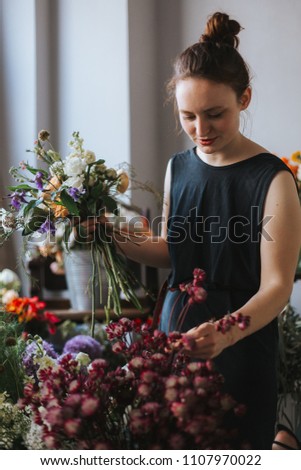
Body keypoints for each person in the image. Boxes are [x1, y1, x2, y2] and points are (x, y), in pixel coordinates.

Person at [85, 12, 301, 449]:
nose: (200, 130)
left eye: (215, 114)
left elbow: (277, 287)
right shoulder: (178, 168)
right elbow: (171, 251)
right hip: (174, 331)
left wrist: (226, 332)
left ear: (245, 99)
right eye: (188, 116)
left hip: (240, 344)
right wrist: (108, 232)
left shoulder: (274, 179)